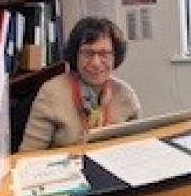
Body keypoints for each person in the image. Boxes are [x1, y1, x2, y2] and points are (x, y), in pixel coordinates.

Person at [19, 17, 140, 151]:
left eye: (104, 54)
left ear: (115, 57)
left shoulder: (126, 95)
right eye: (87, 53)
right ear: (75, 55)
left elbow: (136, 148)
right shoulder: (51, 93)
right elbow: (28, 156)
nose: (96, 63)